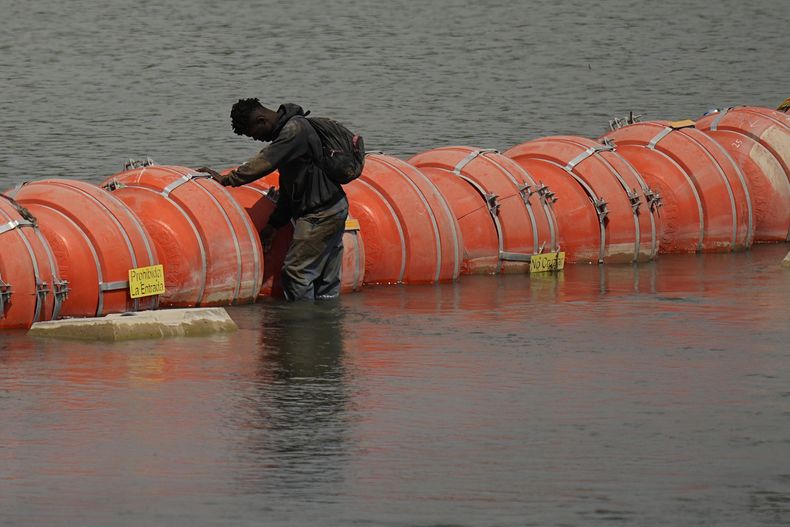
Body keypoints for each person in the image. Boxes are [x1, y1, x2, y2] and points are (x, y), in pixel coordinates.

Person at [197, 99, 348, 301]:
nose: (257, 140)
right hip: (333, 207)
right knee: (325, 281)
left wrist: (226, 179)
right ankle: (325, 326)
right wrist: (275, 224)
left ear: (261, 121)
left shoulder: (293, 131)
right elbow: (290, 189)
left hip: (319, 215)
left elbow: (264, 162)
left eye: (254, 134)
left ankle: (303, 326)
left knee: (296, 273)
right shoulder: (294, 131)